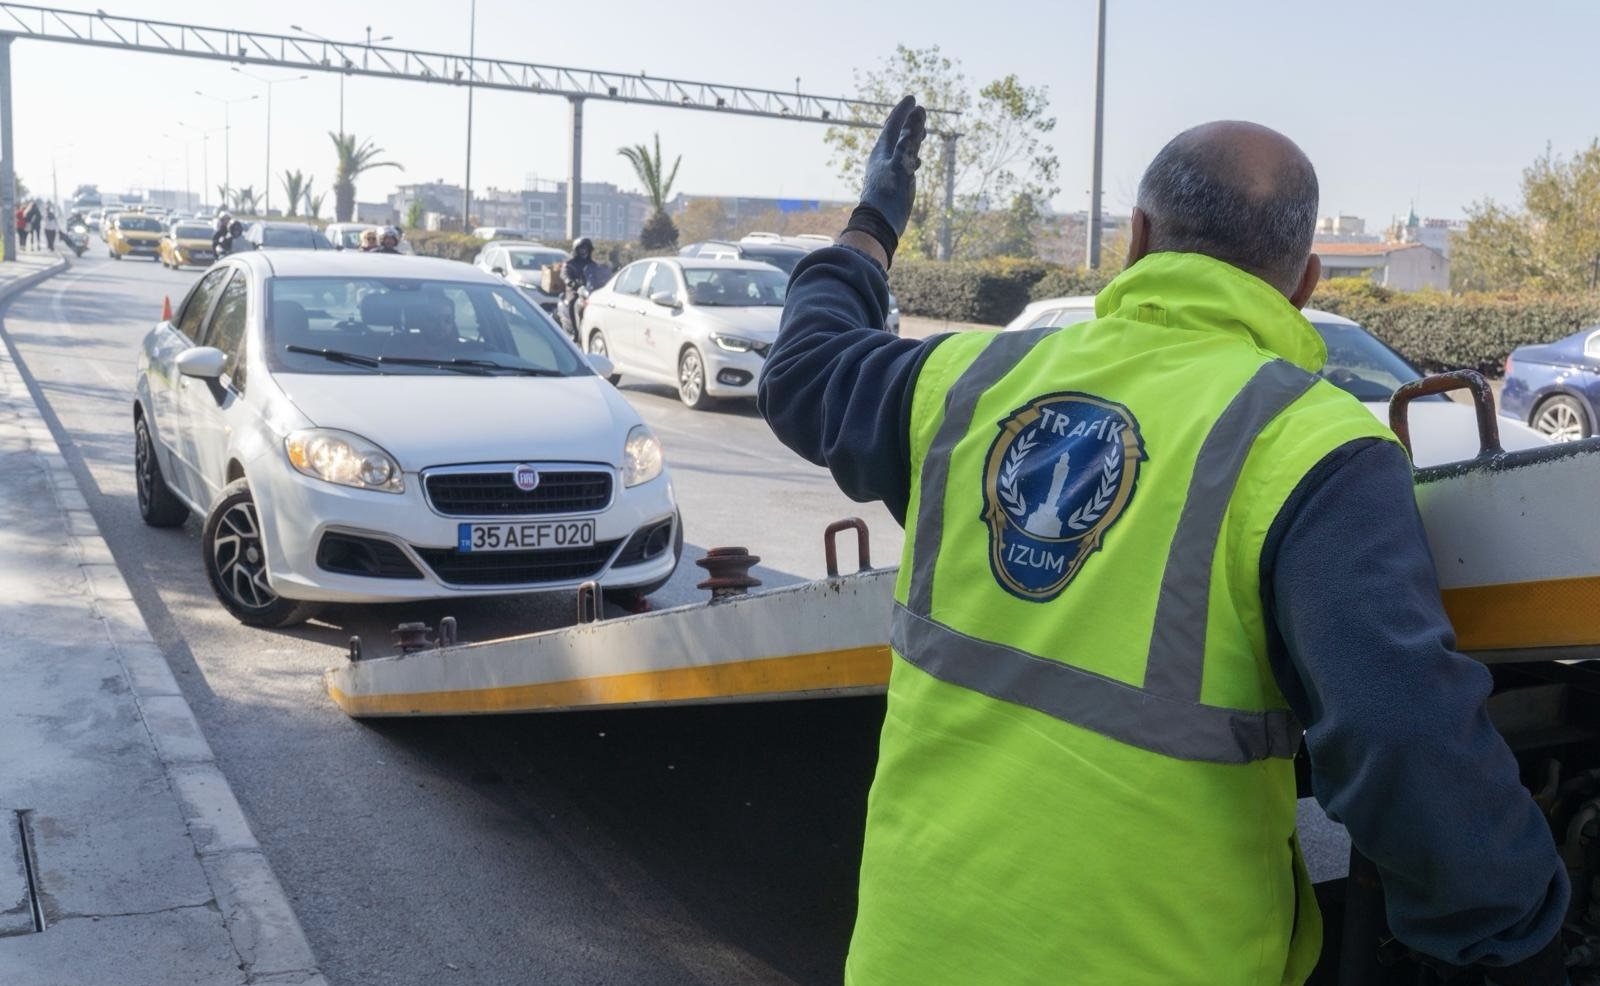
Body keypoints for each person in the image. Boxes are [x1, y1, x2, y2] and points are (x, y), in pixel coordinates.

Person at [758, 97, 1567, 986]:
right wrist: (1510, 939)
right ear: (1305, 280)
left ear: (1136, 237)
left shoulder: (967, 381)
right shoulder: (1314, 449)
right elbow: (1402, 734)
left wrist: (872, 226)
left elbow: (804, 369)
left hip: (914, 952)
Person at [560, 236, 599, 340]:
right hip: (575, 290)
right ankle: (574, 332)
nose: (584, 251)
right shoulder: (569, 263)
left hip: (589, 290)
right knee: (573, 301)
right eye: (581, 248)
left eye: (586, 248)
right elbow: (564, 274)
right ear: (576, 249)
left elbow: (598, 274)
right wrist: (570, 282)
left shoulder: (593, 264)